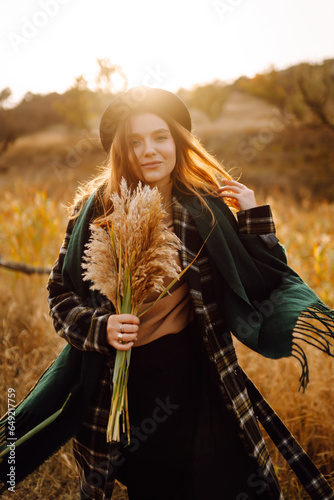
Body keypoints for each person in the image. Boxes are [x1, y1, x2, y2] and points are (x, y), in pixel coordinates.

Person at [45, 87, 334, 500]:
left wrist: (252, 217)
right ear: (120, 152)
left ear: (177, 142)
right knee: (155, 484)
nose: (149, 150)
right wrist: (100, 326)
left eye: (160, 137)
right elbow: (59, 293)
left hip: (199, 371)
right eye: (134, 142)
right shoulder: (95, 211)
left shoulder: (202, 207)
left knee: (229, 481)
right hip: (124, 383)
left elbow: (264, 278)